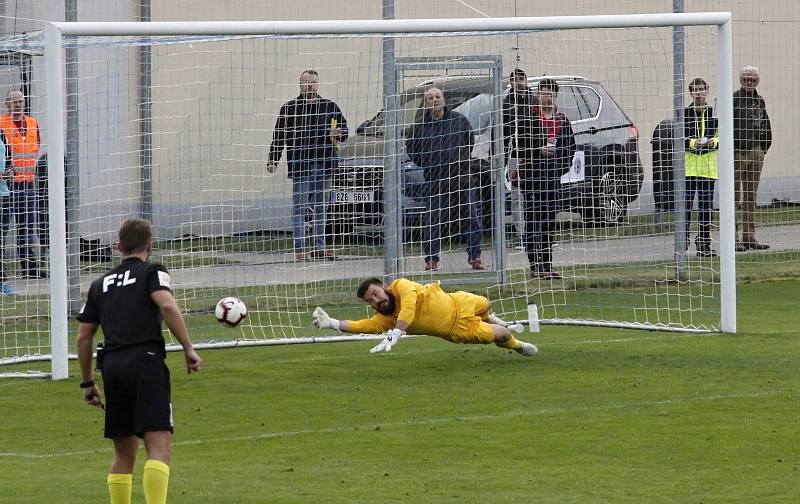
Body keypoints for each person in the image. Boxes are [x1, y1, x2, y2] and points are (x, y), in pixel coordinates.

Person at [76, 218, 203, 504]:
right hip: (145, 362)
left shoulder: (99, 284)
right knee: (158, 445)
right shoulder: (152, 272)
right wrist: (188, 348)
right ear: (150, 246)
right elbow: (167, 304)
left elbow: (84, 338)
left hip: (111, 367)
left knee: (123, 452)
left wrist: (87, 382)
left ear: (119, 247)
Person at [312, 276, 537, 356]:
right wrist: (331, 322)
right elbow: (362, 325)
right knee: (502, 335)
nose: (376, 301)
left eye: (375, 294)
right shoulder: (385, 318)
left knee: (486, 302)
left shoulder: (401, 285)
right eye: (370, 301)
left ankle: (489, 316)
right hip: (457, 329)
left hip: (457, 300)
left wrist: (398, 331)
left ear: (385, 286)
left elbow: (409, 305)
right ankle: (517, 345)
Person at [266, 70, 348, 261]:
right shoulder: (290, 108)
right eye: (305, 82)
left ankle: (320, 247)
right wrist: (273, 159)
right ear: (300, 85)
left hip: (325, 164)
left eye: (312, 81)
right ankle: (300, 248)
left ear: (318, 84)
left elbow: (344, 129)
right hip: (301, 165)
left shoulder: (329, 106)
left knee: (321, 207)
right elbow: (279, 136)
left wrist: (340, 134)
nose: (309, 85)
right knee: (300, 207)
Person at [406, 86, 482, 271]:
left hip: (460, 178)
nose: (435, 100)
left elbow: (468, 141)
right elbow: (413, 151)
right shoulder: (419, 128)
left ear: (444, 100)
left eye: (438, 96)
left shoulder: (459, 121)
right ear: (426, 103)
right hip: (434, 180)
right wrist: (429, 163)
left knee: (471, 217)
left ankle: (475, 256)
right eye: (430, 98)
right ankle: (431, 259)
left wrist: (459, 161)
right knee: (432, 220)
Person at [514, 78, 576, 279]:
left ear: (555, 96)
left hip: (552, 177)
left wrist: (559, 165)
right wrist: (538, 151)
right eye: (542, 92)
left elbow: (569, 148)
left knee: (549, 220)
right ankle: (535, 267)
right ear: (538, 94)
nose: (546, 96)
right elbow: (518, 146)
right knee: (533, 220)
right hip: (532, 176)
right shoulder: (529, 118)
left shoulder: (562, 120)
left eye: (549, 93)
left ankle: (548, 265)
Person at [0, 90, 44, 278]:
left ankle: (29, 267)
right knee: (3, 227)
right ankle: (2, 270)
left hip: (28, 183)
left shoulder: (33, 124)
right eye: (14, 101)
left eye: (21, 101)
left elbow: (35, 149)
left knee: (27, 226)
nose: (18, 104)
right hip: (8, 185)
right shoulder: (2, 124)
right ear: (7, 104)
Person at [733, 65, 772, 252]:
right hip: (737, 152)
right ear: (741, 81)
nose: (749, 83)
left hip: (757, 151)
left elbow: (765, 122)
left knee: (750, 196)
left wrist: (763, 147)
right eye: (746, 79)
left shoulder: (760, 100)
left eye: (753, 80)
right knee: (734, 196)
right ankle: (733, 238)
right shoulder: (732, 99)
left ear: (757, 81)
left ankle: (749, 237)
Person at [502, 68, 538, 251]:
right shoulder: (507, 103)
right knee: (517, 196)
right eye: (515, 79)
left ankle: (538, 233)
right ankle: (521, 235)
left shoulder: (535, 101)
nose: (519, 82)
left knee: (537, 194)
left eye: (522, 78)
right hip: (515, 154)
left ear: (526, 80)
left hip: (534, 154)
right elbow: (503, 132)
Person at [683, 77, 719, 258]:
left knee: (705, 209)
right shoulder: (684, 113)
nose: (698, 93)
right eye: (695, 90)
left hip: (708, 169)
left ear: (707, 91)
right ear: (690, 92)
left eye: (701, 89)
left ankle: (703, 243)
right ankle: (681, 243)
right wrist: (692, 143)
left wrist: (713, 142)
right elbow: (679, 138)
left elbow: (724, 135)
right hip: (689, 169)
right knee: (686, 209)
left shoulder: (714, 113)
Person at [0, 129, 13, 294]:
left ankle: (2, 282)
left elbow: (8, 159)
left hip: (4, 194)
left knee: (2, 239)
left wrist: (9, 171)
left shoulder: (1, 133)